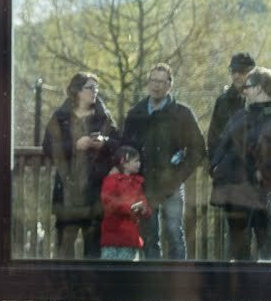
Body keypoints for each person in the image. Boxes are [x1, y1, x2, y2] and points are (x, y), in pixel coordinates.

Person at [116, 62, 205, 260]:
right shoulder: (136, 113)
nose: (156, 86)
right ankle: (153, 281)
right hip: (143, 184)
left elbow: (198, 148)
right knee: (148, 236)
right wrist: (130, 169)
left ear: (169, 85)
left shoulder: (182, 113)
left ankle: (176, 281)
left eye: (161, 82)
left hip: (171, 184)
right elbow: (124, 147)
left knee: (174, 233)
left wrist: (180, 174)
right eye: (152, 81)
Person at [207, 66, 271, 261]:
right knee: (238, 247)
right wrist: (216, 168)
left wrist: (263, 173)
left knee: (268, 243)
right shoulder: (240, 116)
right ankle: (240, 290)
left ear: (261, 88)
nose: (244, 90)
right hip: (237, 191)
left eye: (248, 86)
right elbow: (221, 145)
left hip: (267, 191)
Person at [41, 72, 117, 259]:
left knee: (93, 249)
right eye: (90, 88)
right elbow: (48, 147)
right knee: (64, 246)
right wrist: (75, 145)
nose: (95, 91)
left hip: (94, 189)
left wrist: (104, 142)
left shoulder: (104, 116)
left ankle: (91, 287)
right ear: (77, 91)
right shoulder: (60, 116)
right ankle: (63, 287)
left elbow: (119, 143)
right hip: (68, 189)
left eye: (96, 88)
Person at [99, 146, 151, 262]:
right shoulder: (111, 181)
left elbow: (143, 202)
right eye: (136, 161)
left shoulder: (137, 183)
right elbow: (109, 203)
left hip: (130, 236)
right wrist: (130, 208)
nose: (139, 164)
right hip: (113, 235)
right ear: (124, 163)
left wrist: (144, 209)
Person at [207, 52, 256, 156]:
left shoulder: (261, 99)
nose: (236, 75)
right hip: (227, 167)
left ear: (252, 72)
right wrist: (215, 165)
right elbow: (213, 138)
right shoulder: (222, 101)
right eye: (233, 71)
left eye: (241, 71)